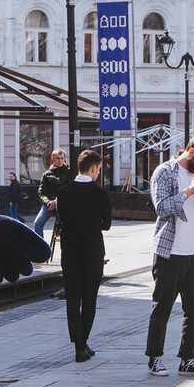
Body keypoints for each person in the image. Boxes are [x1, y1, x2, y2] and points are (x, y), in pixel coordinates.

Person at [145, 133, 194, 377]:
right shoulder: (165, 172)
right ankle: (155, 358)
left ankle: (187, 360)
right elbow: (161, 208)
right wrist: (188, 192)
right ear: (191, 152)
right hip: (170, 251)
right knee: (163, 308)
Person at [56, 150, 112, 362]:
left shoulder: (63, 193)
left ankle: (78, 344)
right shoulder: (100, 194)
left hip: (70, 251)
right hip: (92, 251)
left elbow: (62, 220)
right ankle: (83, 342)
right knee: (89, 298)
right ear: (94, 168)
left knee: (73, 298)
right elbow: (106, 225)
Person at [35, 149, 70, 239]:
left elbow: (70, 189)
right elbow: (41, 192)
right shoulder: (47, 174)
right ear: (52, 159)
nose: (60, 161)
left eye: (62, 158)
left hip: (63, 203)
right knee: (37, 223)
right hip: (49, 204)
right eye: (57, 158)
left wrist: (57, 200)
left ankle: (60, 229)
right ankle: (41, 247)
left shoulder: (69, 172)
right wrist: (48, 202)